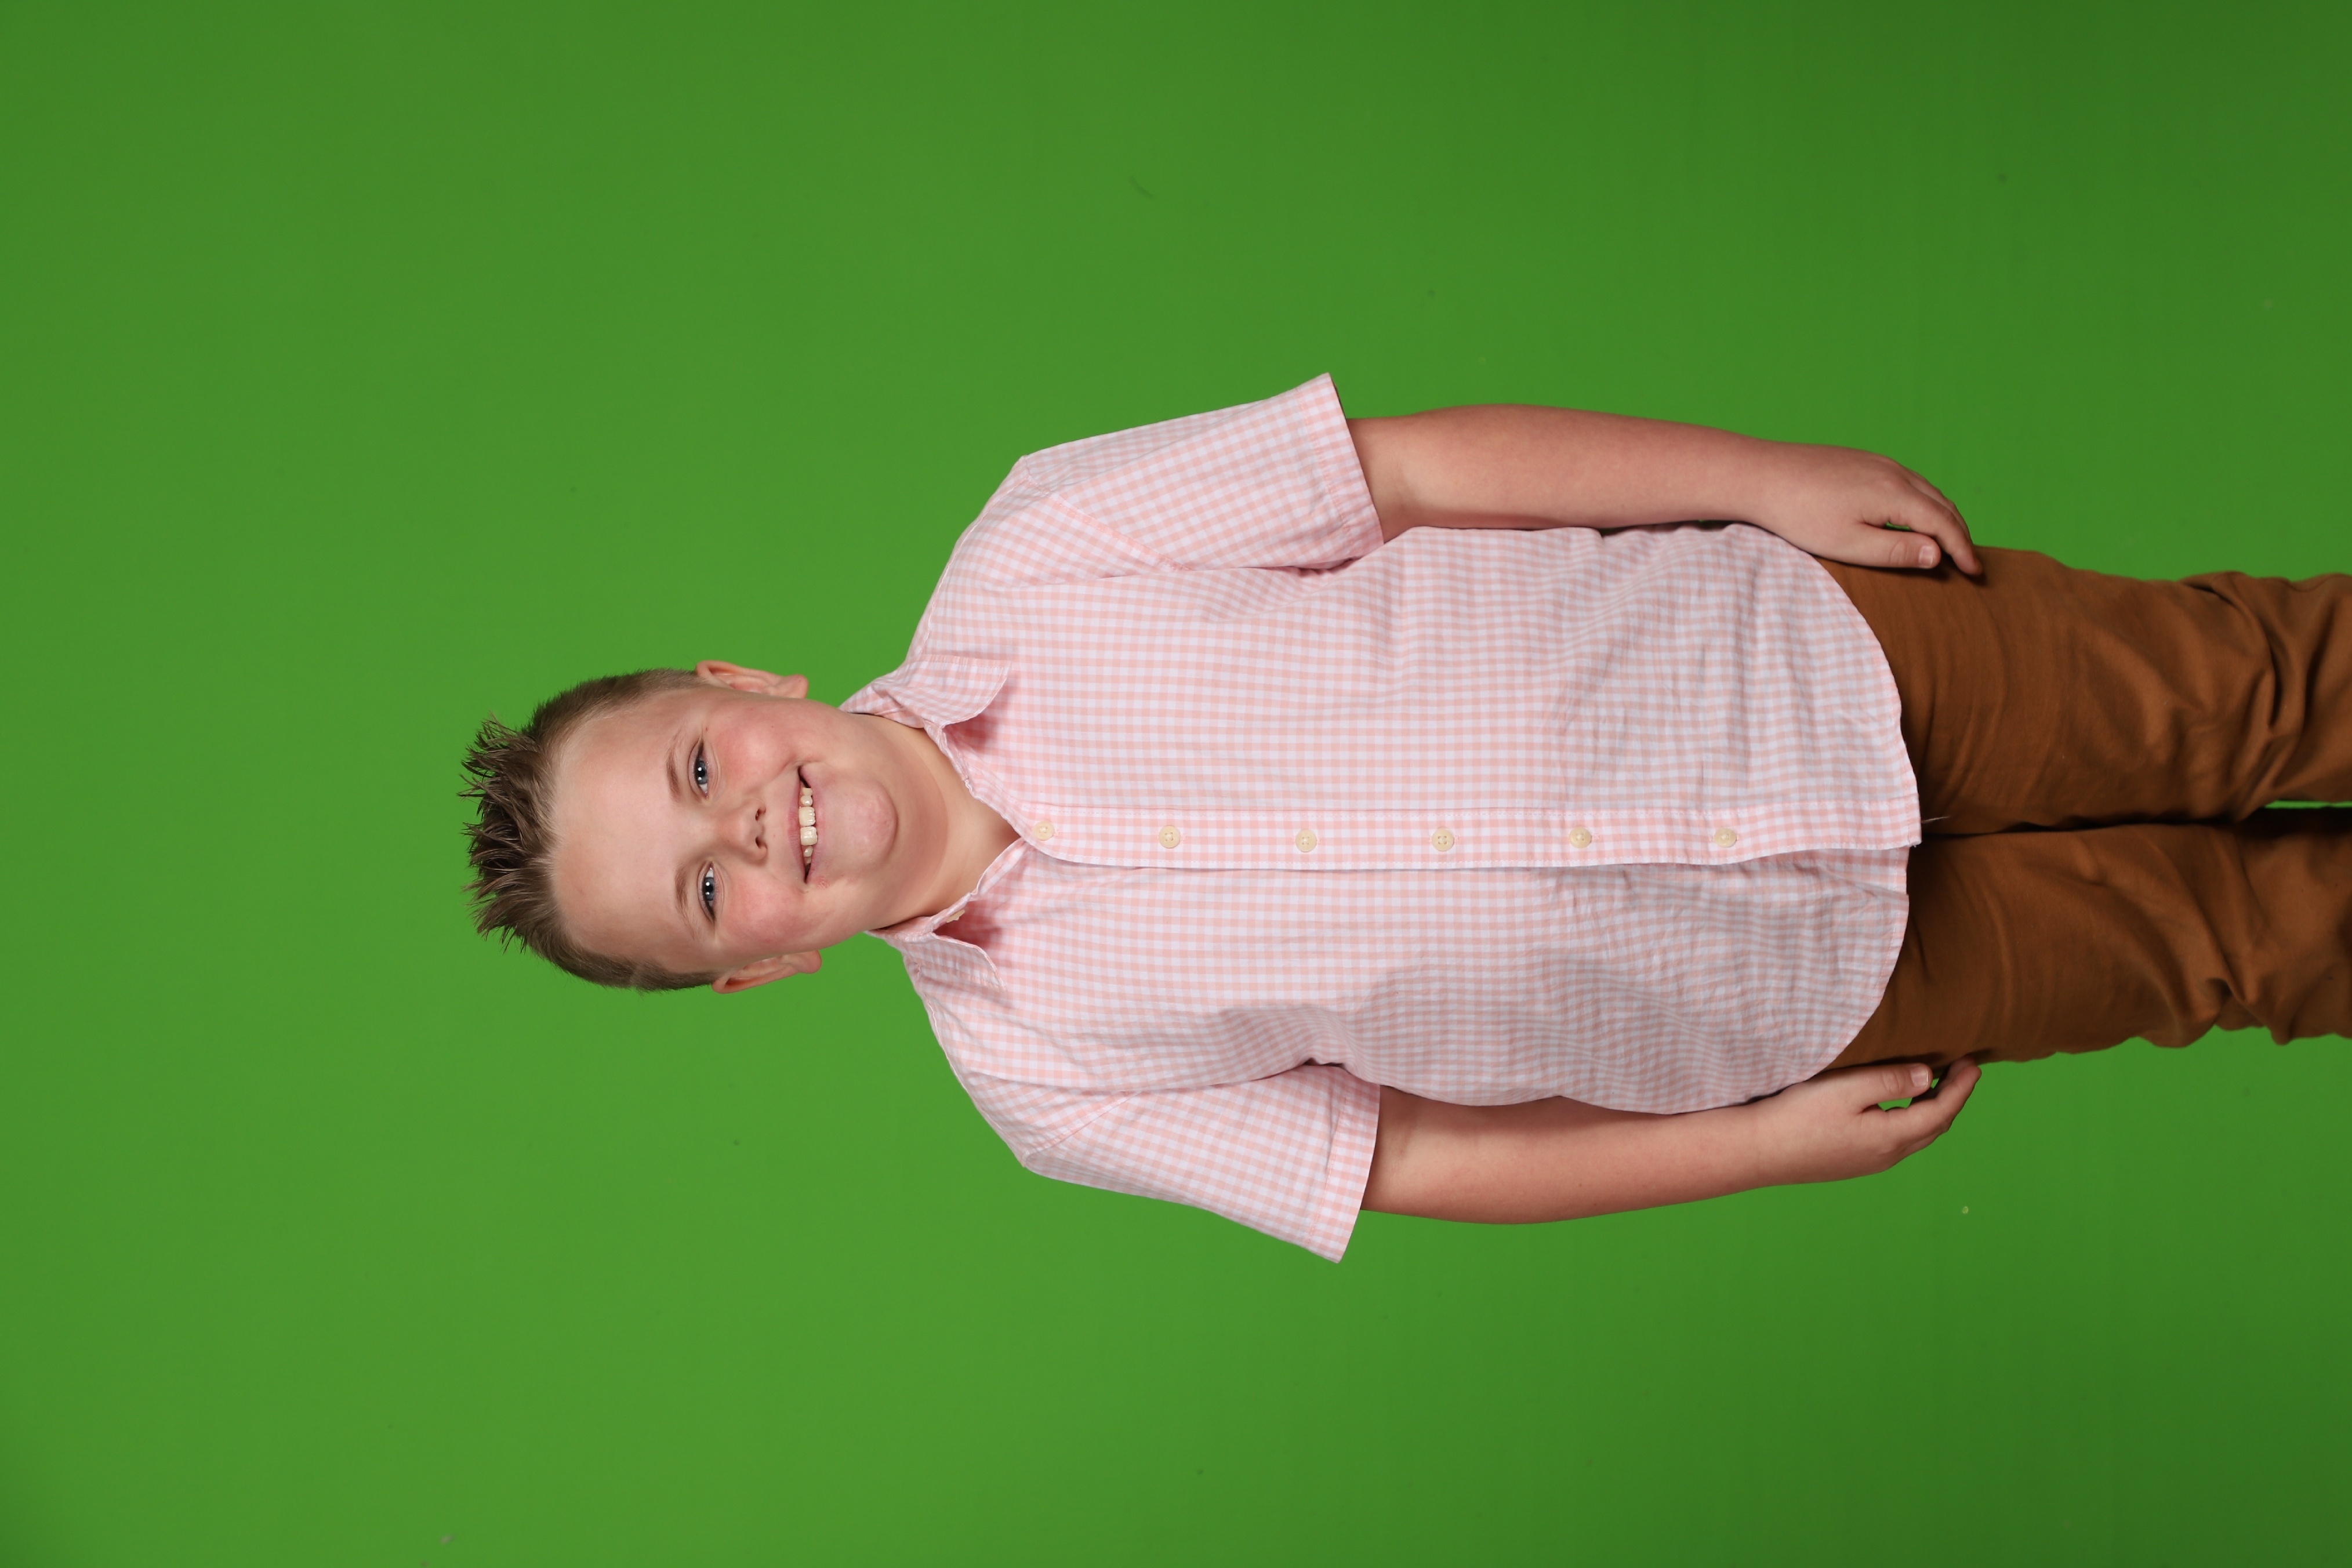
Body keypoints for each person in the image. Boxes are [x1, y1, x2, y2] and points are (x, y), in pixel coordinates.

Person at [460, 376, 2352, 1260]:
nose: (753, 829)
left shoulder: (1046, 542)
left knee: (2251, 687)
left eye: (698, 769)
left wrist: (1761, 482)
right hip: (1789, 996)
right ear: (758, 972)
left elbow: (1418, 471)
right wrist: (1759, 1145)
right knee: (2237, 951)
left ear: (740, 682)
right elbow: (1419, 1158)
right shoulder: (1046, 1083)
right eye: (703, 894)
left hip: (1803, 657)